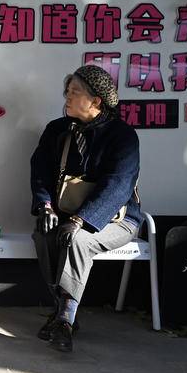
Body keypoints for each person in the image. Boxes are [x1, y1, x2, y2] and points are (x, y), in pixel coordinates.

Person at [29, 65, 142, 353]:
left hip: (116, 220)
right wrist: (45, 206)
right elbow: (40, 170)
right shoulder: (57, 130)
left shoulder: (123, 136)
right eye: (67, 91)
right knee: (44, 235)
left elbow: (119, 185)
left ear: (96, 101)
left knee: (77, 240)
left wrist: (81, 219)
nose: (67, 97)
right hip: (65, 213)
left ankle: (65, 319)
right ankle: (63, 312)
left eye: (75, 92)